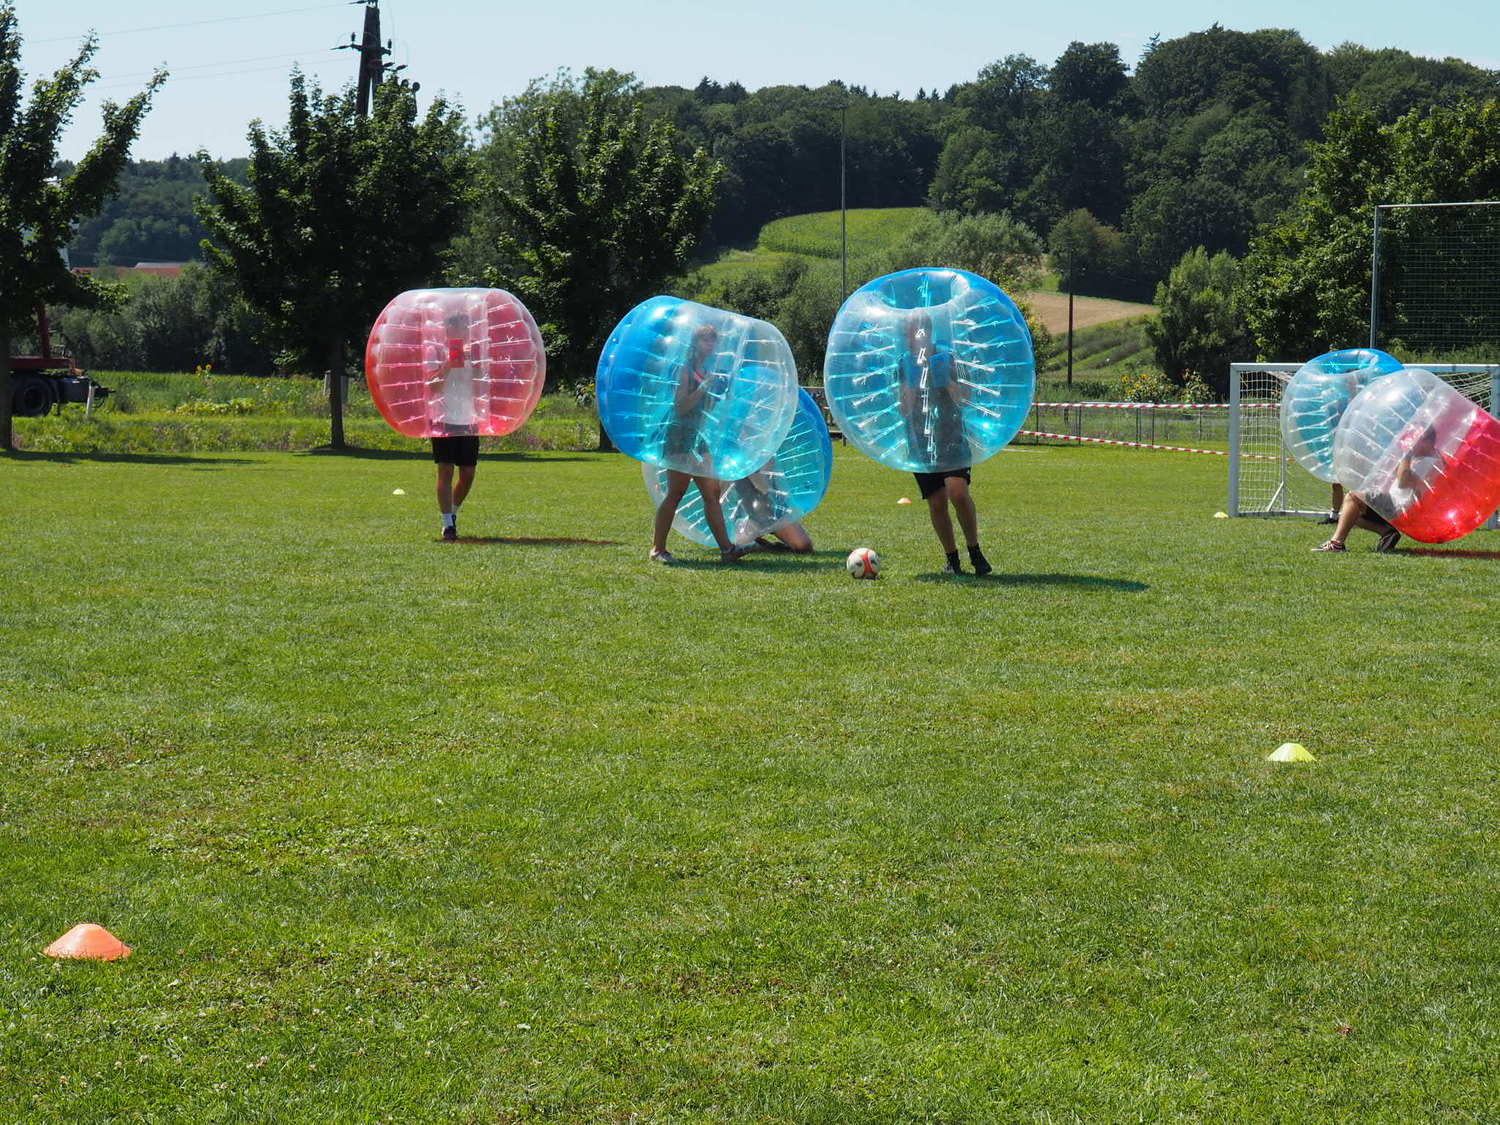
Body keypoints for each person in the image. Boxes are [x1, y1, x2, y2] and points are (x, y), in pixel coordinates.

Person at [898, 316, 991, 576]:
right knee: (937, 502)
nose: (908, 338)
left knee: (957, 492)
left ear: (926, 332)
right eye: (906, 333)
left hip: (952, 437)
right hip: (922, 442)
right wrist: (912, 389)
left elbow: (966, 398)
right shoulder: (904, 363)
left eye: (911, 333)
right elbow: (904, 410)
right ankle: (952, 559)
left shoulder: (949, 359)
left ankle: (974, 549)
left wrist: (947, 383)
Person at [650, 323, 745, 565]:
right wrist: (704, 386)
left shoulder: (706, 370)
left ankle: (727, 550)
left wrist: (718, 393)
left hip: (698, 436)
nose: (710, 345)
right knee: (676, 493)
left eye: (713, 340)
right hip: (679, 436)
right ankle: (657, 549)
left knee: (712, 493)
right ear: (694, 343)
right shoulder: (685, 369)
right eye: (705, 340)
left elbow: (706, 410)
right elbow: (681, 407)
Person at [1314, 428, 1441, 553]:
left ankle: (1336, 543)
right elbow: (1399, 475)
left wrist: (1406, 453)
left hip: (1400, 507)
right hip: (1396, 504)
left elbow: (1403, 482)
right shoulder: (1424, 459)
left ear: (1428, 441)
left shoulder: (1430, 462)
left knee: (1353, 497)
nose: (1412, 443)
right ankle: (1387, 532)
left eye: (1416, 439)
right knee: (1351, 515)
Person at [430, 311, 481, 541]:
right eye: (461, 327)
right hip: (443, 418)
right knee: (446, 470)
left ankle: (452, 512)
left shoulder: (473, 352)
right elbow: (432, 387)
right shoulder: (436, 351)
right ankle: (447, 524)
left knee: (468, 474)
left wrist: (476, 364)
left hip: (468, 418)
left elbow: (481, 384)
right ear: (448, 329)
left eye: (467, 327)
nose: (465, 332)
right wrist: (449, 363)